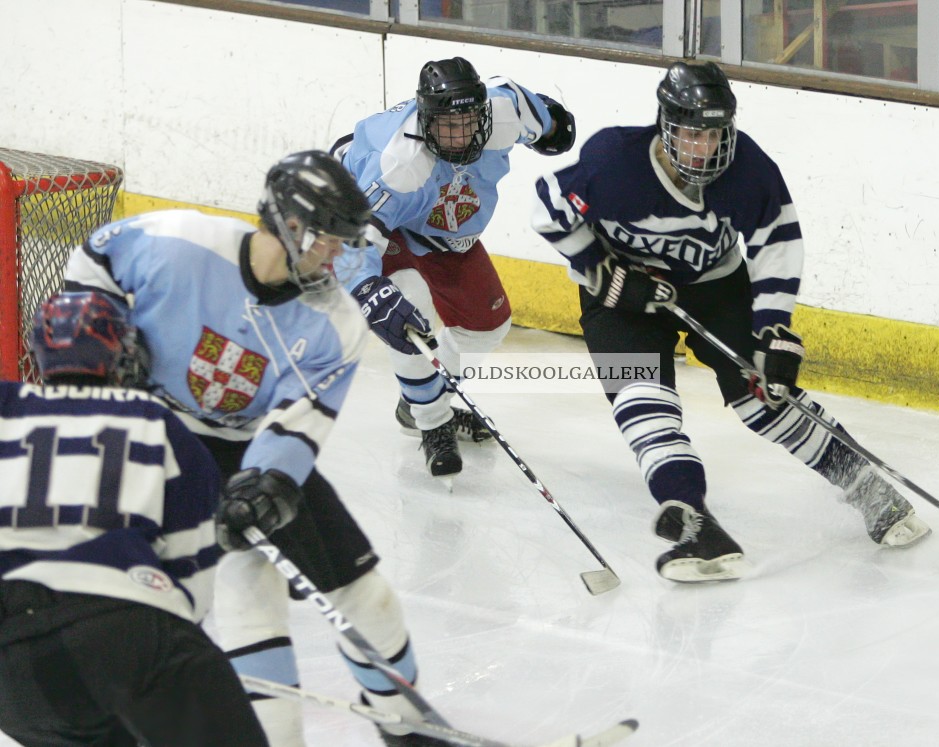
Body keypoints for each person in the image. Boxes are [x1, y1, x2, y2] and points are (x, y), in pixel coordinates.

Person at [62, 151, 441, 746]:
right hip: (156, 442)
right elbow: (93, 260)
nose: (336, 257)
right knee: (247, 593)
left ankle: (411, 730)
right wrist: (104, 327)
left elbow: (301, 419)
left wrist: (267, 483)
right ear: (290, 225)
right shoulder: (178, 242)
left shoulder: (335, 320)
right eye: (327, 241)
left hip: (249, 447)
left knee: (364, 593)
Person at [531, 61, 931, 583]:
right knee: (644, 407)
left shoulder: (749, 169)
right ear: (667, 126)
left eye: (716, 132)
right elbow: (548, 209)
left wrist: (773, 329)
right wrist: (601, 272)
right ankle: (698, 529)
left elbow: (777, 245)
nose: (706, 146)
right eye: (693, 133)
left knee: (764, 393)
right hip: (622, 301)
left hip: (717, 288)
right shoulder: (614, 161)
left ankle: (868, 487)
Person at [0, 291, 269, 746]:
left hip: (12, 675)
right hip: (126, 636)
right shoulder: (155, 422)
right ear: (121, 354)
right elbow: (191, 588)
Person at [331, 56, 576, 480]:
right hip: (366, 210)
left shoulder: (504, 111)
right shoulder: (401, 164)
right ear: (425, 120)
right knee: (410, 312)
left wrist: (555, 126)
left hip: (443, 233)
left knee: (488, 327)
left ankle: (420, 398)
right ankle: (433, 421)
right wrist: (369, 290)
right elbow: (354, 235)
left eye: (468, 120)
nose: (461, 134)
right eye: (447, 124)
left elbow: (546, 120)